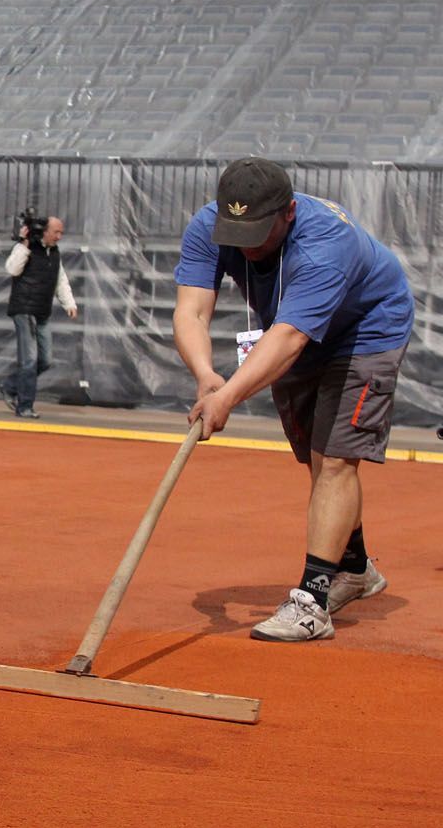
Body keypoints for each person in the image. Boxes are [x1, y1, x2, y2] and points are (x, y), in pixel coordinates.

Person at [172, 156, 414, 643]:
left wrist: (230, 397)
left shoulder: (326, 242)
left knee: (337, 459)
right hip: (288, 327)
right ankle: (356, 569)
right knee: (315, 457)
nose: (248, 246)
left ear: (288, 214)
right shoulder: (209, 226)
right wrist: (205, 376)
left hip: (364, 332)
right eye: (237, 231)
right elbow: (191, 310)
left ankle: (312, 602)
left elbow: (288, 340)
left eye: (259, 231)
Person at [0, 215, 77, 419]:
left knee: (45, 360)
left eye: (61, 232)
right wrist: (23, 244)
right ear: (45, 231)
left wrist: (69, 303)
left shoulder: (54, 253)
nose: (59, 236)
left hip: (42, 312)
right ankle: (24, 406)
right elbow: (12, 269)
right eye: (56, 232)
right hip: (24, 310)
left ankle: (10, 386)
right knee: (29, 360)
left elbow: (60, 280)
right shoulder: (26, 247)